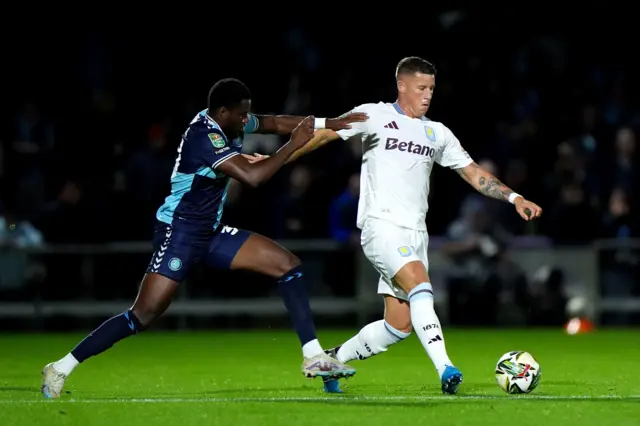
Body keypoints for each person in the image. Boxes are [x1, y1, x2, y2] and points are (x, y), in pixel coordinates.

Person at [41, 78, 368, 398]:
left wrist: (329, 122)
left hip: (209, 232)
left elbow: (272, 122)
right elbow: (254, 178)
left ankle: (314, 355)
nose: (246, 121)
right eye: (241, 115)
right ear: (222, 112)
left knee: (288, 265)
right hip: (179, 232)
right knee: (143, 315)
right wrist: (293, 145)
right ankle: (60, 366)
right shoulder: (204, 136)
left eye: (246, 115)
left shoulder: (229, 122)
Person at [249, 57, 543, 394]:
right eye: (421, 88)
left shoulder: (437, 132)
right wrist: (278, 159)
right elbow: (324, 134)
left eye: (431, 88)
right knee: (421, 285)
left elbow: (474, 173)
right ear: (401, 85)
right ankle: (445, 368)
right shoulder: (373, 114)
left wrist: (514, 197)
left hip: (415, 233)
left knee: (399, 325)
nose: (427, 95)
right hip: (381, 226)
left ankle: (332, 361)